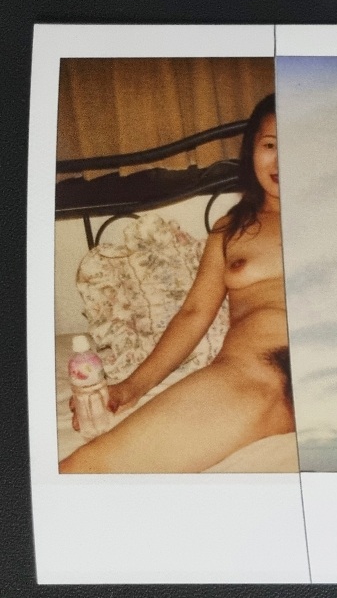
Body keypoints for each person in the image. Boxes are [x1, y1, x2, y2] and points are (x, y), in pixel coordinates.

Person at [60, 94, 296, 473]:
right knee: (84, 469)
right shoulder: (229, 230)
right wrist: (130, 388)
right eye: (270, 145)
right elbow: (193, 314)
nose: (283, 160)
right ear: (251, 151)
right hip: (252, 379)